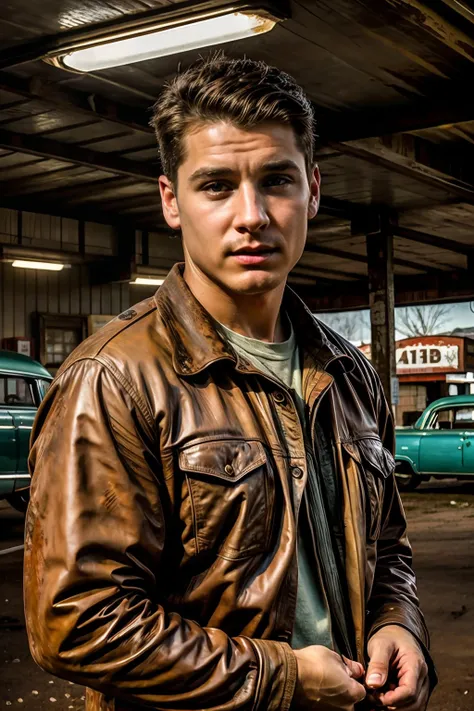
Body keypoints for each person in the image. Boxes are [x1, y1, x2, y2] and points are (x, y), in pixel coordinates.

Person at [24, 55, 435, 711]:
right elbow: (76, 621)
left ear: (315, 189)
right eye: (216, 185)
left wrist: (398, 622)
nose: (252, 214)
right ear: (171, 200)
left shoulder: (349, 372)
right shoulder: (112, 380)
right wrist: (281, 676)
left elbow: (388, 549)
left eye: (276, 180)